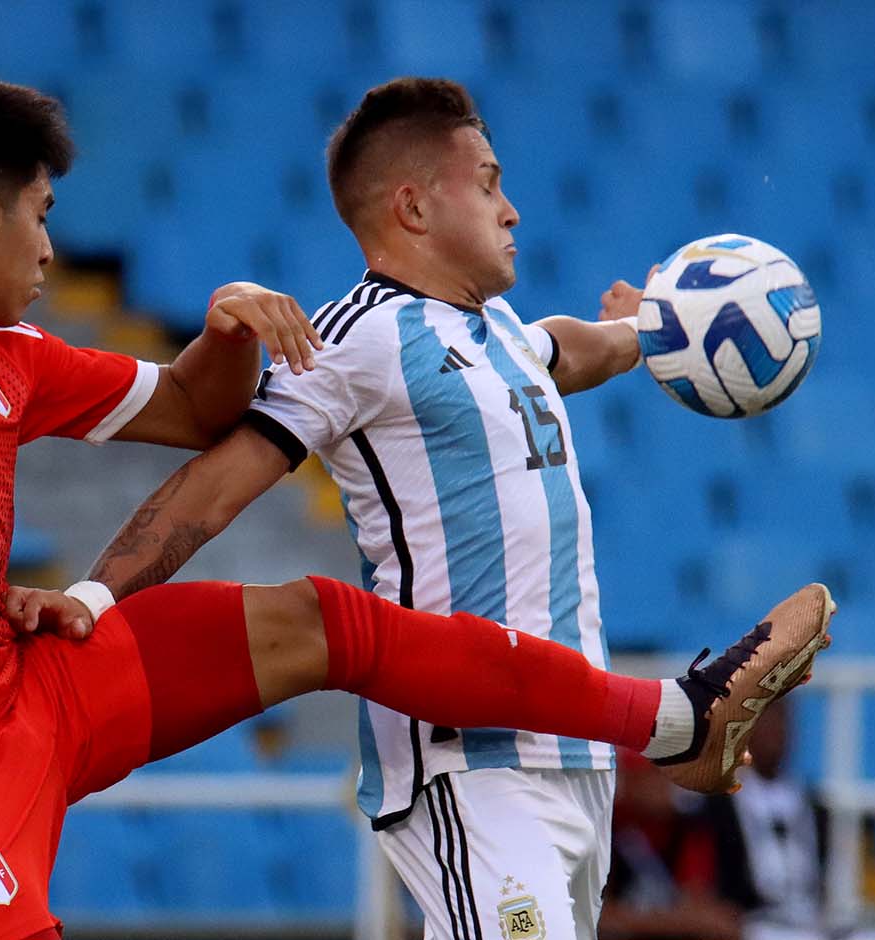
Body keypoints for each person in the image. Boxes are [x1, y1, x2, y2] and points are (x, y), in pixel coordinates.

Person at [0, 67, 834, 940]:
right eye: (41, 219)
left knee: (314, 620)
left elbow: (187, 405)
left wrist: (230, 317)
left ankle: (674, 718)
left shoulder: (3, 357)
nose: (52, 252)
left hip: (26, 677)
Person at [70, 77, 831, 940]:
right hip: (465, 752)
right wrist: (93, 600)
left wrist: (652, 327)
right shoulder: (355, 338)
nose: (510, 209)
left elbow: (567, 351)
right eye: (488, 181)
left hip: (576, 752)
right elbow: (214, 486)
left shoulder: (501, 332)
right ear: (413, 206)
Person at [702, 698, 875, 940]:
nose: (774, 731)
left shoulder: (813, 804)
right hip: (752, 923)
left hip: (813, 921)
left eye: (781, 721)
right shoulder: (718, 805)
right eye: (763, 722)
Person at [598, 751, 742, 940]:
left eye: (666, 775)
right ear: (629, 780)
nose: (661, 785)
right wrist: (675, 921)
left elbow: (702, 908)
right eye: (650, 776)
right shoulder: (609, 829)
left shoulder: (690, 829)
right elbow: (600, 916)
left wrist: (638, 920)